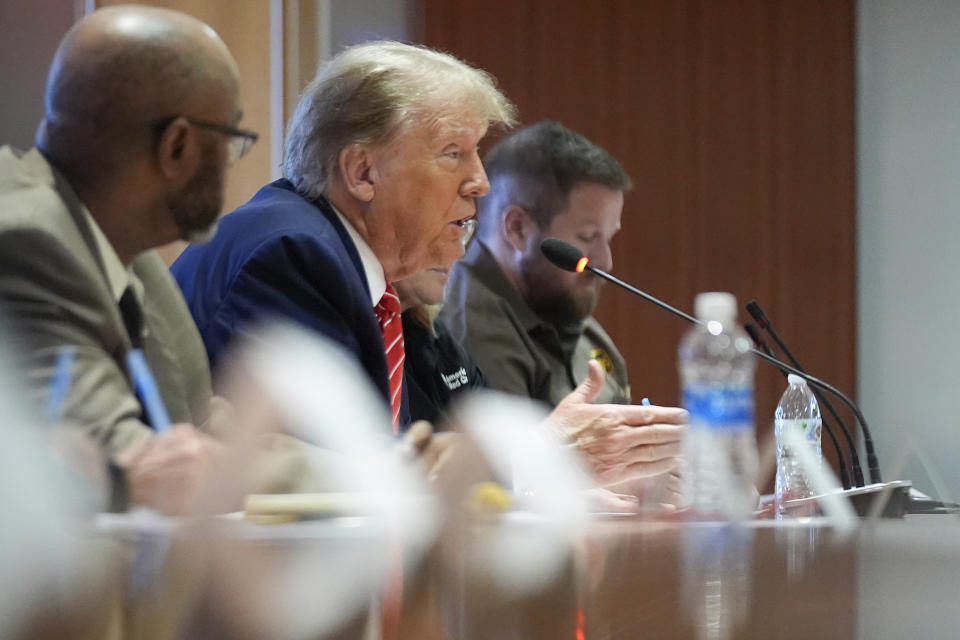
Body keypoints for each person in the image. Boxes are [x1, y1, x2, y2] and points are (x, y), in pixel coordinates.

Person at [172, 42, 685, 486]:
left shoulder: (396, 293)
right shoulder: (291, 253)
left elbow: (446, 455)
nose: (480, 181)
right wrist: (541, 457)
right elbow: (332, 484)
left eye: (477, 153)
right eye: (452, 153)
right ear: (362, 171)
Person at [0, 6, 254, 513]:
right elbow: (139, 459)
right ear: (177, 146)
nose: (230, 161)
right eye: (231, 140)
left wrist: (388, 469)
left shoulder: (124, 246)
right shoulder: (28, 241)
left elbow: (200, 423)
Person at [441, 120, 632, 408]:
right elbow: (510, 453)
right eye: (588, 237)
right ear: (518, 228)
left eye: (608, 237)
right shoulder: (470, 326)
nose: (605, 262)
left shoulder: (558, 300)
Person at [395, 220, 485, 425]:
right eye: (447, 225)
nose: (460, 251)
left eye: (465, 227)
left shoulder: (437, 337)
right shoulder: (347, 335)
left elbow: (493, 439)